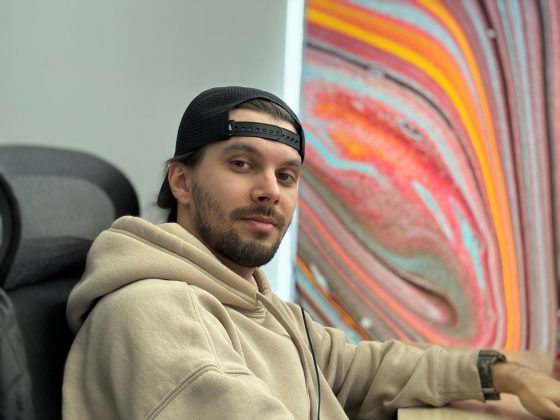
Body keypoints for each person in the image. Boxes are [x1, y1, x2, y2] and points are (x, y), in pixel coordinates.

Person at [62, 86, 560, 419]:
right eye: (242, 164)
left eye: (286, 175)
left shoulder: (254, 302)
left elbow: (364, 370)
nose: (270, 191)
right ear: (182, 181)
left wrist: (504, 374)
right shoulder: (156, 314)